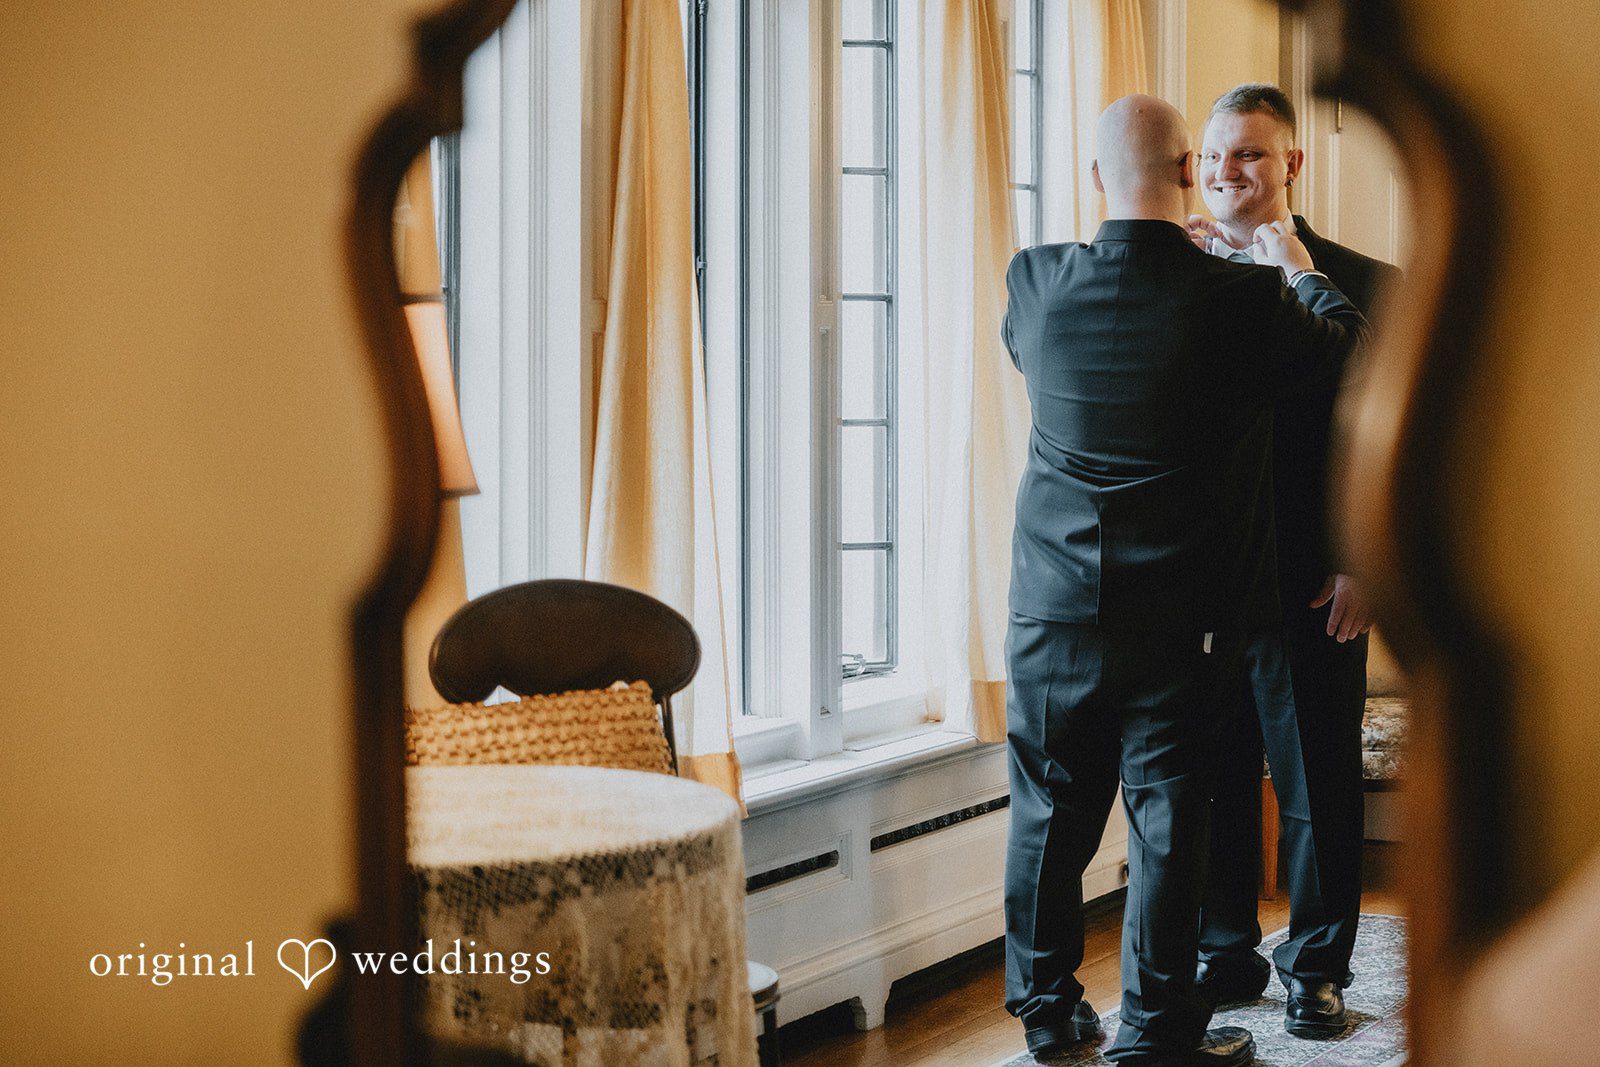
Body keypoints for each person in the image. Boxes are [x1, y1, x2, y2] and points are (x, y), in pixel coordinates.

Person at [1001, 94, 1371, 1066]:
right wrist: (1292, 267)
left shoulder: (1034, 280)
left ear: (1092, 181)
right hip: (1182, 616)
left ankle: (1044, 1009)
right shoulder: (1243, 298)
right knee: (1170, 815)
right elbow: (1344, 348)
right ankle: (1159, 1029)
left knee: (1049, 810)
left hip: (1053, 610)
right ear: (1185, 172)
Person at [1188, 83, 1402, 1040]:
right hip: (1199, 578)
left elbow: (1390, 441)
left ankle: (1317, 968)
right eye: (1213, 156)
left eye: (1250, 155)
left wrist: (1367, 562)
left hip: (1320, 578)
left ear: (1291, 166)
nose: (1228, 172)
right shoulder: (1177, 274)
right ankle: (1222, 950)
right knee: (1211, 774)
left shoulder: (1370, 283)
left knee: (1316, 782)